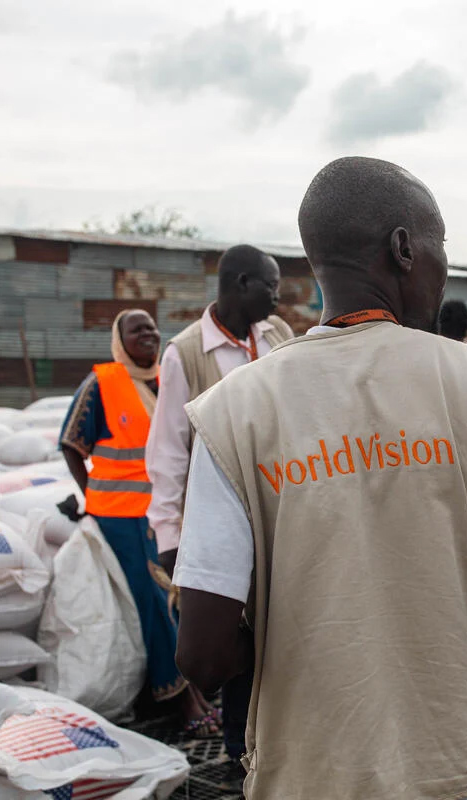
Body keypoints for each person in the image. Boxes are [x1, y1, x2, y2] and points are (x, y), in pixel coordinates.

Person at [173, 156, 467, 800]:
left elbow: (203, 656)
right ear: (403, 248)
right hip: (455, 768)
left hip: (310, 776)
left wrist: (303, 608)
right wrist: (447, 586)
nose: (443, 272)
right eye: (441, 249)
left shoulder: (232, 411)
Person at [145, 244, 293, 778]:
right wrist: (170, 535)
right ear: (241, 284)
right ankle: (240, 752)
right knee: (234, 633)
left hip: (281, 508)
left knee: (285, 624)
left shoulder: (277, 336)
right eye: (271, 286)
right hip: (225, 518)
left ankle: (284, 734)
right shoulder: (185, 354)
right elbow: (168, 450)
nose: (277, 298)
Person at [58, 309, 217, 734]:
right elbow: (71, 443)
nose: (148, 334)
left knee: (183, 597)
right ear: (119, 340)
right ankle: (179, 699)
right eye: (137, 329)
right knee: (155, 599)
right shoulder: (103, 383)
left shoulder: (167, 379)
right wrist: (90, 495)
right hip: (121, 516)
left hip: (168, 511)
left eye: (151, 327)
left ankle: (194, 687)